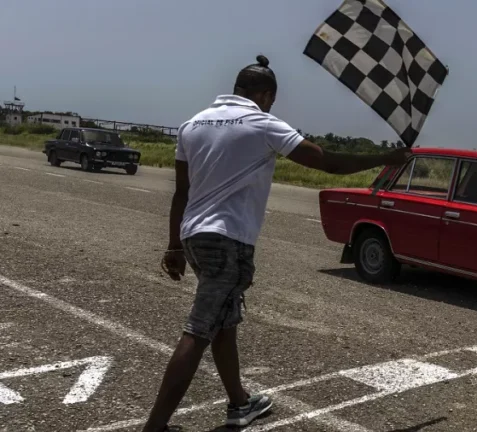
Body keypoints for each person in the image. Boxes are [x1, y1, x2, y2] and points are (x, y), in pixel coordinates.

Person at [142, 55, 410, 432]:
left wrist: (173, 247)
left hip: (193, 237)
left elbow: (181, 192)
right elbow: (327, 162)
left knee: (223, 322)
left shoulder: (193, 124)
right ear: (265, 95)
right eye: (272, 99)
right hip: (228, 240)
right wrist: (386, 157)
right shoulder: (263, 124)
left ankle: (239, 402)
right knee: (199, 329)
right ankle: (154, 427)